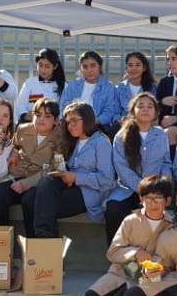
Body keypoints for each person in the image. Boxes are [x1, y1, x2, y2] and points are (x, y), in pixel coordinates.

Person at [22, 101, 116, 238]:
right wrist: (60, 169)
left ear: (87, 119)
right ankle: (36, 243)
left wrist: (76, 177)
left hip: (89, 192)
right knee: (30, 198)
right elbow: (62, 163)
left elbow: (107, 180)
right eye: (67, 122)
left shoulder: (101, 143)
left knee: (43, 206)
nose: (70, 125)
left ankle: (44, 242)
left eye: (74, 121)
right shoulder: (72, 140)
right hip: (69, 185)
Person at [104, 93, 173, 241]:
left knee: (154, 212)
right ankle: (116, 251)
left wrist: (165, 177)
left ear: (156, 113)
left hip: (155, 189)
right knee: (113, 210)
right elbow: (121, 167)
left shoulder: (161, 135)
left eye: (150, 106)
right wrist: (143, 188)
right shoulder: (121, 136)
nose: (145, 109)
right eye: (140, 106)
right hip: (127, 188)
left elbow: (166, 162)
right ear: (132, 111)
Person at [3, 98, 64, 217]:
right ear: (32, 116)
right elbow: (13, 145)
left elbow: (58, 168)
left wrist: (27, 183)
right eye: (38, 115)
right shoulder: (22, 129)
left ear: (56, 120)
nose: (41, 119)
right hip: (16, 175)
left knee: (30, 202)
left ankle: (32, 231)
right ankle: (0, 230)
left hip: (38, 180)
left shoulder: (61, 138)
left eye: (47, 116)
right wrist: (14, 152)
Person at [61, 50, 123, 132]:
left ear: (100, 66)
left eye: (93, 66)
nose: (89, 70)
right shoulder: (73, 85)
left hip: (96, 127)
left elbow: (109, 112)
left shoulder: (108, 87)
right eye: (85, 67)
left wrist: (93, 121)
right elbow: (65, 106)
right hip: (74, 124)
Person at [14, 48, 65, 124]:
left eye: (47, 66)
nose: (43, 70)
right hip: (30, 124)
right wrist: (25, 115)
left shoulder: (63, 86)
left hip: (52, 126)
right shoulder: (30, 83)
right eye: (40, 65)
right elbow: (20, 105)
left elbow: (63, 110)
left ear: (55, 66)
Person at [114, 52, 156, 121]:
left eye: (138, 65)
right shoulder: (119, 88)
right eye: (130, 65)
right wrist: (121, 120)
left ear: (144, 68)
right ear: (126, 68)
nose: (134, 68)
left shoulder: (153, 88)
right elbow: (115, 113)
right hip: (124, 125)